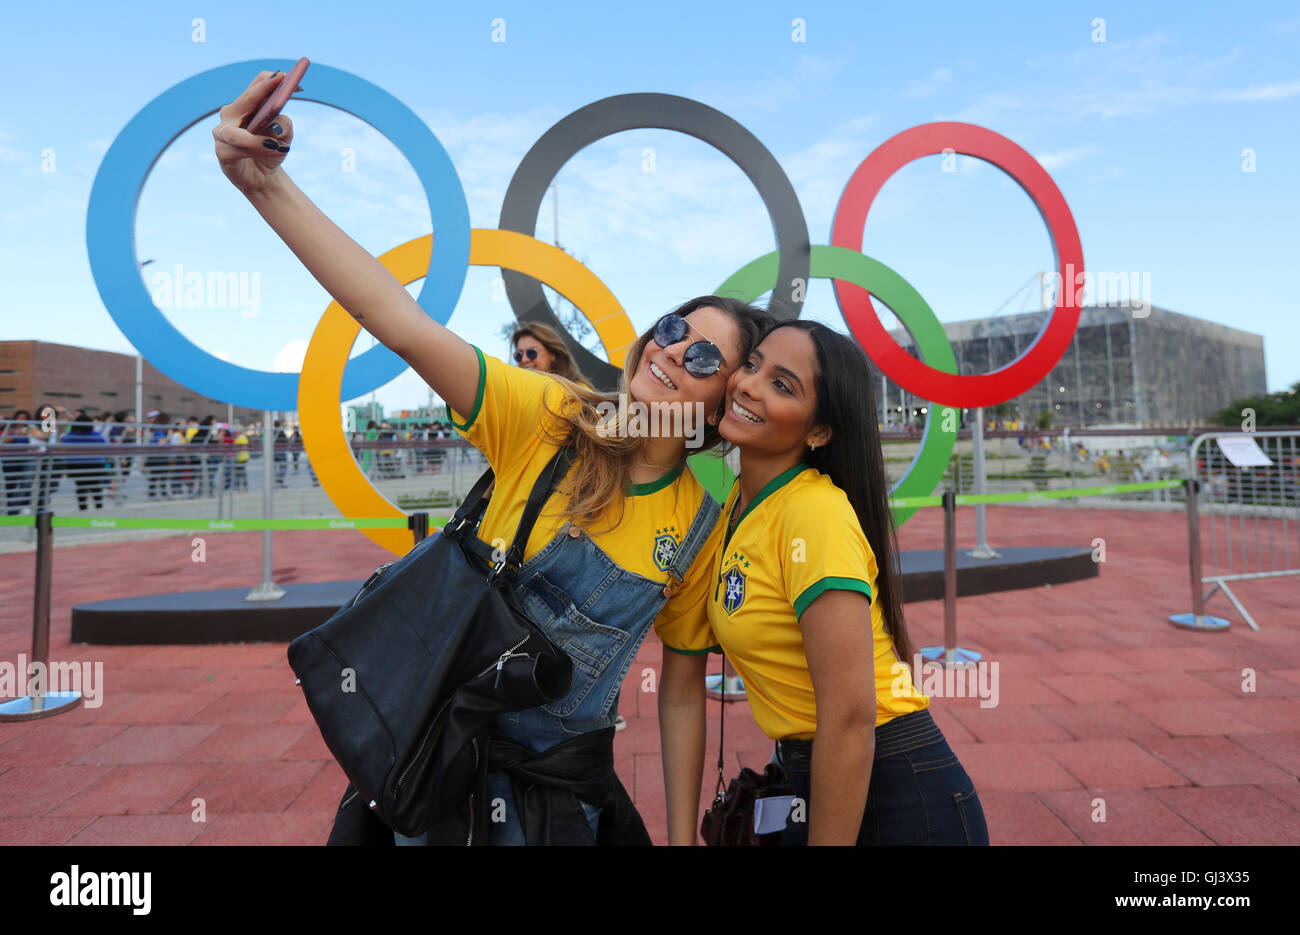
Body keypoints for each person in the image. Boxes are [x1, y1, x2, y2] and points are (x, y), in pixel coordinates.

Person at [213, 70, 773, 844]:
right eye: (675, 328)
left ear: (718, 407)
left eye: (707, 356)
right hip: (441, 778)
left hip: (561, 804)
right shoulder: (549, 415)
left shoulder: (702, 525)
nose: (676, 351)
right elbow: (396, 318)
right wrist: (262, 184)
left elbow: (682, 693)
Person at [658, 320, 989, 846]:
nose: (748, 384)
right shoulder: (737, 511)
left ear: (819, 431)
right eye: (752, 364)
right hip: (815, 774)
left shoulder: (812, 512)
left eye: (782, 385)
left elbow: (852, 718)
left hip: (895, 794)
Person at [510, 321, 590, 387]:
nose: (524, 359)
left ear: (553, 354)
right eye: (518, 355)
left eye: (531, 353)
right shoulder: (516, 392)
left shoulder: (578, 390)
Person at [60, 414, 111, 511]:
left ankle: (82, 507)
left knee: (81, 485)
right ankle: (99, 506)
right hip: (96, 464)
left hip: (75, 465)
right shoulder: (97, 435)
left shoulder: (69, 436)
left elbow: (63, 449)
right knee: (96, 485)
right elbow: (106, 447)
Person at [1, 410, 35, 515]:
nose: (22, 420)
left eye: (24, 418)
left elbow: (36, 438)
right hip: (10, 458)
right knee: (10, 484)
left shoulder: (29, 428)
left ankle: (21, 505)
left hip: (26, 457)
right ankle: (11, 508)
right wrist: (16, 435)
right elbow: (4, 441)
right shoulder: (11, 428)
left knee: (26, 482)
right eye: (20, 417)